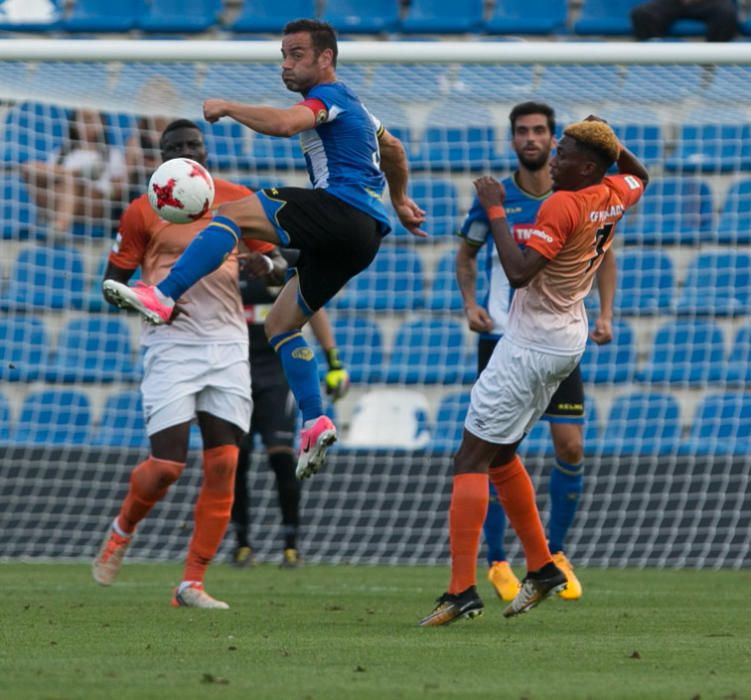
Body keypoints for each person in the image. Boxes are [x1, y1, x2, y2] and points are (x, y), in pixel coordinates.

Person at [102, 18, 426, 482]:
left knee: (231, 216)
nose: (286, 65)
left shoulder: (330, 98)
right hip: (365, 237)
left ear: (326, 59)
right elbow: (392, 149)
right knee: (281, 324)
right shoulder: (361, 109)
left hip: (341, 209)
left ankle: (165, 293)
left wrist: (230, 107)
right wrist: (398, 199)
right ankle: (315, 420)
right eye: (283, 55)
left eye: (296, 55)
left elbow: (282, 124)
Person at [420, 117, 648, 626]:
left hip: (530, 343)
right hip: (566, 338)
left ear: (586, 166)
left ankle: (461, 591)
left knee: (469, 458)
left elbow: (520, 274)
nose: (554, 158)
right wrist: (611, 141)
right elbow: (641, 175)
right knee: (500, 455)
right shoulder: (614, 189)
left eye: (563, 152)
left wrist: (496, 207)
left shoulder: (563, 203)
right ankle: (543, 566)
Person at [92, 119, 275, 609]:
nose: (186, 151)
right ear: (161, 154)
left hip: (228, 344)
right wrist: (141, 301)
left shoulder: (238, 199)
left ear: (205, 149)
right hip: (171, 346)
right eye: (175, 146)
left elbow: (277, 264)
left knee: (225, 462)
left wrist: (268, 267)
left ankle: (191, 583)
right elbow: (113, 285)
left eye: (193, 144)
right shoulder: (142, 210)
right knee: (167, 466)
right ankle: (122, 528)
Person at [456, 102, 617, 604]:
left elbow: (604, 257)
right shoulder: (497, 198)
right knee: (500, 450)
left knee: (562, 445)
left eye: (542, 132)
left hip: (543, 341)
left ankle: (551, 555)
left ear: (554, 141)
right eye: (522, 131)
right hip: (505, 336)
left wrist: (607, 313)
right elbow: (467, 255)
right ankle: (503, 559)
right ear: (512, 140)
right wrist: (470, 305)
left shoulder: (575, 197)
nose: (532, 139)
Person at [231, 248, 349, 569]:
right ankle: (241, 544)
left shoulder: (280, 263)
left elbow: (314, 309)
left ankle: (291, 544)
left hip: (276, 374)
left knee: (281, 457)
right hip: (236, 372)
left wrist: (333, 361)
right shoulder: (226, 262)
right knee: (235, 459)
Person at [21, 108, 127, 235]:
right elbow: (34, 170)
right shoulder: (62, 153)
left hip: (94, 204)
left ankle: (59, 227)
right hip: (58, 198)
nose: (88, 125)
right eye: (83, 120)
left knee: (71, 181)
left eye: (92, 120)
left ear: (102, 123)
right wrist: (72, 173)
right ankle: (77, 173)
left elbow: (118, 190)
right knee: (29, 169)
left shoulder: (111, 154)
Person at [631, 0, 737, 42]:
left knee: (726, 13)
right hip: (674, 2)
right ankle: (653, 58)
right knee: (643, 14)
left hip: (709, 2)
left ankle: (715, 59)